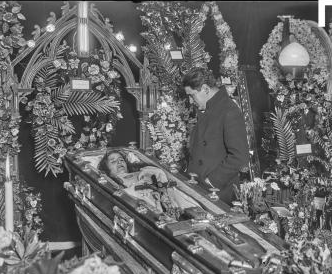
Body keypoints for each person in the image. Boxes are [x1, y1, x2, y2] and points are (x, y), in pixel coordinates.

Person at [182, 68, 249, 205]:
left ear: (206, 89)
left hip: (217, 192)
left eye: (192, 95)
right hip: (199, 186)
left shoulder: (230, 111)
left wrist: (212, 181)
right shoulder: (208, 108)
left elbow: (240, 156)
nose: (190, 100)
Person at [98, 150, 199, 213]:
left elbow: (160, 176)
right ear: (108, 171)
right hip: (150, 209)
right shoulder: (116, 184)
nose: (119, 162)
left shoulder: (143, 170)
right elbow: (127, 195)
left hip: (171, 202)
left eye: (121, 159)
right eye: (113, 161)